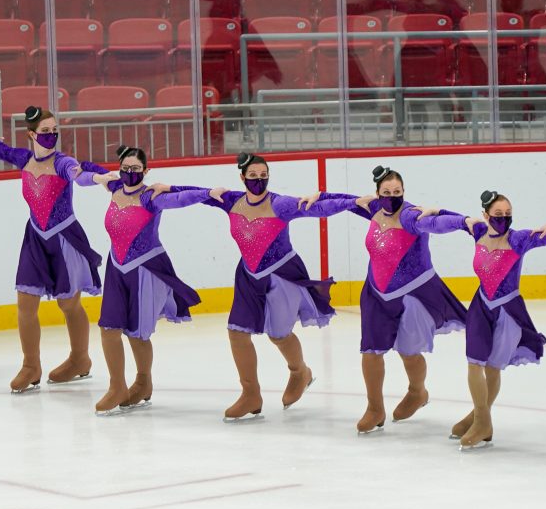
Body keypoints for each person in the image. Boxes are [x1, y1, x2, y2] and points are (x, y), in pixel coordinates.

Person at [0, 106, 117, 393]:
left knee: (69, 303)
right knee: (25, 304)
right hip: (35, 238)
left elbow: (79, 174)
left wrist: (100, 178)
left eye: (54, 131)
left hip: (64, 237)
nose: (51, 136)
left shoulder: (63, 162)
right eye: (45, 132)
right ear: (31, 135)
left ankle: (80, 359)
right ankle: (31, 366)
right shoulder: (24, 159)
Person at [202, 152, 352, 422]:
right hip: (248, 275)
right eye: (253, 175)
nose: (259, 180)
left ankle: (299, 372)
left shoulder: (280, 204)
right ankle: (251, 394)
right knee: (237, 332)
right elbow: (191, 196)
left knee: (279, 335)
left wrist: (355, 202)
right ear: (242, 177)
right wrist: (167, 189)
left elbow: (320, 209)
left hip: (282, 274)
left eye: (263, 175)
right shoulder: (231, 201)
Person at [452, 190, 546, 449]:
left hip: (507, 309)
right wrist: (438, 212)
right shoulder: (478, 232)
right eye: (498, 215)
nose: (504, 219)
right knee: (473, 363)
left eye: (508, 215)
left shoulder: (518, 239)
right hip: (481, 305)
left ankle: (481, 420)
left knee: (492, 366)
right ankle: (481, 417)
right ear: (485, 215)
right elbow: (448, 222)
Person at [94, 146, 225, 415]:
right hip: (116, 268)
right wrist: (96, 177)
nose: (130, 173)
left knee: (137, 333)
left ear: (146, 171)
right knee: (108, 328)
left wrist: (206, 193)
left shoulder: (151, 197)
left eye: (136, 169)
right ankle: (116, 386)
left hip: (145, 268)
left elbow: (180, 199)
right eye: (126, 168)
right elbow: (81, 171)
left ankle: (143, 383)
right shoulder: (114, 188)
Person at [340, 166, 470, 435]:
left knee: (409, 352)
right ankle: (375, 408)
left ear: (404, 192)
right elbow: (341, 202)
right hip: (376, 293)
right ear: (377, 193)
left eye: (397, 192)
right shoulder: (373, 209)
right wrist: (325, 197)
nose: (392, 197)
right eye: (386, 192)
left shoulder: (411, 216)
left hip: (413, 293)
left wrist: (464, 221)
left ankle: (417, 392)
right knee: (370, 351)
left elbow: (436, 222)